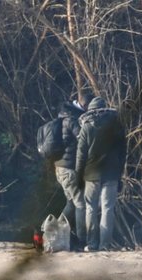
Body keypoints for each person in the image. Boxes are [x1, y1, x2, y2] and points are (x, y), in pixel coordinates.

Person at [75, 96, 127, 251]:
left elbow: (81, 154)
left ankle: (91, 244)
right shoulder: (117, 126)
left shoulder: (86, 127)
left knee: (90, 208)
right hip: (111, 174)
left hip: (91, 174)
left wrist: (78, 176)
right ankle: (105, 245)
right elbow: (122, 154)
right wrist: (119, 174)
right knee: (107, 209)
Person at [53, 97, 87, 249]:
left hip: (59, 168)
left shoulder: (59, 121)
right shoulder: (71, 121)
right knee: (80, 204)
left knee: (71, 203)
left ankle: (53, 233)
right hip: (69, 169)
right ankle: (81, 241)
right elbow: (83, 139)